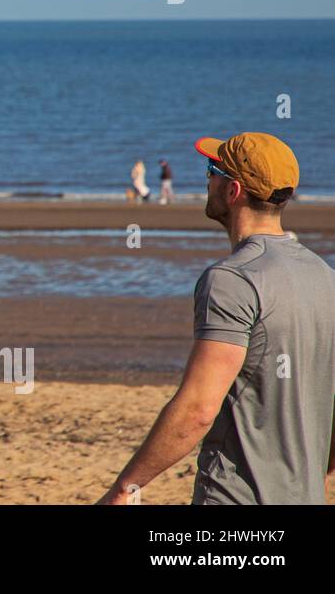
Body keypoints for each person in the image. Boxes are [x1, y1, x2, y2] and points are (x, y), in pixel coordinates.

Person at [99, 132, 335, 505]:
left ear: (233, 191)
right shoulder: (324, 275)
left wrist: (126, 486)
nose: (206, 179)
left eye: (212, 171)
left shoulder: (231, 279)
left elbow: (197, 410)